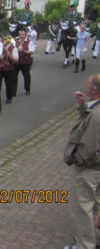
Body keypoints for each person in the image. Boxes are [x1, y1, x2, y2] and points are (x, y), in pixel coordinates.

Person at [63, 74, 100, 249]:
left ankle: (85, 245)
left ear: (94, 89)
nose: (86, 86)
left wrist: (77, 158)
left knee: (82, 208)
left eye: (88, 84)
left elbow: (90, 147)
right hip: (95, 168)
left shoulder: (96, 116)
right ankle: (96, 238)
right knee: (97, 205)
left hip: (89, 168)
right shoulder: (94, 110)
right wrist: (82, 106)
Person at [15, 28, 36, 95]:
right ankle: (13, 91)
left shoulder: (30, 42)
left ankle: (27, 89)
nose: (21, 36)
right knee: (13, 76)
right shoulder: (16, 41)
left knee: (26, 76)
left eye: (23, 34)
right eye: (20, 34)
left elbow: (31, 52)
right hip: (17, 61)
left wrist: (23, 50)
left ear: (26, 35)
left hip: (26, 61)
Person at [1, 36, 19, 103]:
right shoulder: (0, 48)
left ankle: (9, 98)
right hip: (0, 68)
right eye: (3, 39)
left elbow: (16, 61)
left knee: (8, 84)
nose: (4, 41)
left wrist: (9, 56)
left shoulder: (14, 48)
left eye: (6, 39)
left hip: (9, 68)